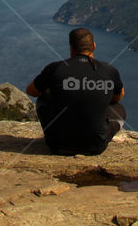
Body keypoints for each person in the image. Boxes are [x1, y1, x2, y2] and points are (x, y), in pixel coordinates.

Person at [25, 27, 126, 155]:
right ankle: (97, 132)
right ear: (94, 46)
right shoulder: (109, 70)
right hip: (95, 146)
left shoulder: (55, 68)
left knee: (42, 99)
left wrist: (56, 92)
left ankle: (56, 132)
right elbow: (118, 97)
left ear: (71, 48)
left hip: (57, 144)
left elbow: (31, 91)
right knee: (119, 109)